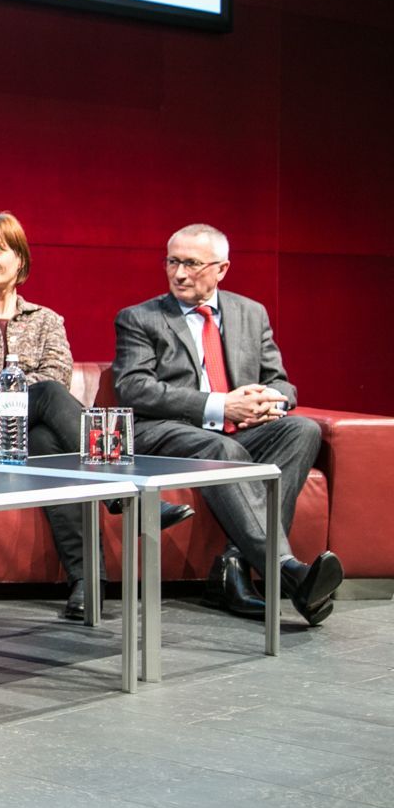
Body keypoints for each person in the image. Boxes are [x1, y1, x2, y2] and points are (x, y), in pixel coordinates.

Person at [0, 212, 195, 621]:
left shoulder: (47, 320)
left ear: (20, 259)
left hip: (31, 436)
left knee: (50, 445)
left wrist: (4, 394)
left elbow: (57, 372)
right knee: (48, 396)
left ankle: (86, 584)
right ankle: (128, 496)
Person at [113, 223, 340, 625]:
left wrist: (271, 401)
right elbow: (133, 388)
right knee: (223, 451)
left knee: (302, 429)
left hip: (241, 429)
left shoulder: (250, 313)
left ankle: (233, 566)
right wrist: (219, 405)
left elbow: (281, 381)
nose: (179, 273)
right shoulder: (140, 318)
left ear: (221, 269)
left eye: (192, 264)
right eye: (172, 262)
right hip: (169, 431)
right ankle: (287, 570)